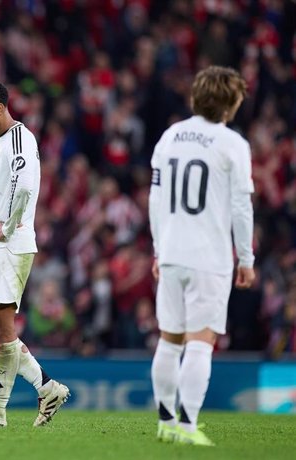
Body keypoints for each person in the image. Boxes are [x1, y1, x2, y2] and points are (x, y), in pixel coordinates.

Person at [148, 66, 255, 446]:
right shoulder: (232, 144)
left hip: (173, 251)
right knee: (199, 342)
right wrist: (246, 258)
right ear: (231, 104)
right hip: (209, 256)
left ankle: (165, 422)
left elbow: (155, 200)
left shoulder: (170, 136)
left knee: (169, 339)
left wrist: (158, 249)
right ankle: (188, 426)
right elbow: (242, 207)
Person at [0, 80, 70, 428]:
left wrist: (7, 227)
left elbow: (25, 187)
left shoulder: (21, 139)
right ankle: (47, 386)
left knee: (0, 326)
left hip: (10, 244)